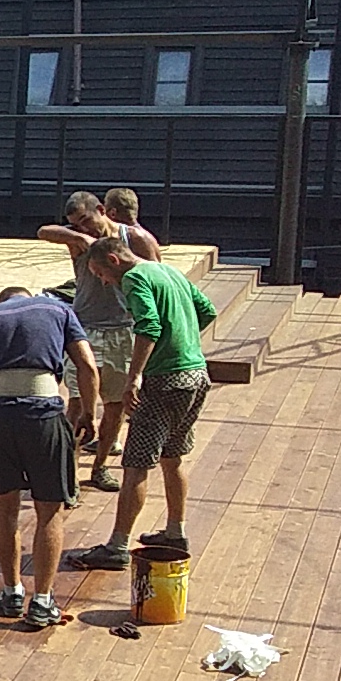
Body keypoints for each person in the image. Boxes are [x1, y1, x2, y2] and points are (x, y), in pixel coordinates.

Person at [66, 237, 218, 570]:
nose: (104, 282)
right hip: (195, 375)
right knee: (172, 458)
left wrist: (134, 376)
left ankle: (117, 546)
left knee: (136, 465)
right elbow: (206, 310)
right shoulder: (168, 271)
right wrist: (182, 341)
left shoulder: (135, 278)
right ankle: (175, 532)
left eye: (101, 274)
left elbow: (148, 325)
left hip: (163, 381)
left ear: (113, 260)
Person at [0, 287, 101, 628]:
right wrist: (88, 414)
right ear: (29, 296)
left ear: (1, 302)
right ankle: (43, 601)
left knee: (4, 507)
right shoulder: (58, 310)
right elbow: (88, 367)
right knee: (49, 510)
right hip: (43, 414)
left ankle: (11, 593)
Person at [36, 191, 158, 491]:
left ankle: (100, 467)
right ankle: (68, 471)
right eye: (76, 223)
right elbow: (44, 231)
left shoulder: (134, 238)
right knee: (78, 403)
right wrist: (79, 237)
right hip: (86, 329)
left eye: (86, 220)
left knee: (115, 405)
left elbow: (157, 275)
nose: (84, 227)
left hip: (122, 330)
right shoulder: (79, 239)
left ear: (102, 210)